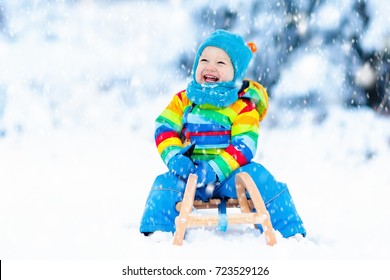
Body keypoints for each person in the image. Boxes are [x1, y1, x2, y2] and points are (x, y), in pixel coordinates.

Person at [139, 29, 306, 239]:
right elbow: (164, 128)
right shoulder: (184, 100)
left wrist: (214, 169)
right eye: (204, 59)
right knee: (165, 184)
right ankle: (157, 231)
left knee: (260, 179)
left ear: (236, 73)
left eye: (221, 63)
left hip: (231, 176)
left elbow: (244, 144)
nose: (210, 66)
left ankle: (288, 230)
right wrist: (175, 159)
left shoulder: (242, 106)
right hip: (189, 172)